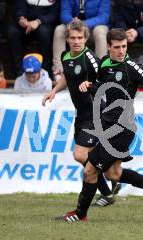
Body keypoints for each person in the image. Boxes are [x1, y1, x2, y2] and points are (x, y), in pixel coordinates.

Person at [56, 28, 143, 222]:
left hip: (122, 128)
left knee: (90, 170)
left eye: (124, 47)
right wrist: (89, 86)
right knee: (114, 173)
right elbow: (102, 86)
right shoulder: (104, 63)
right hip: (108, 123)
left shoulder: (132, 67)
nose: (121, 51)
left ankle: (80, 214)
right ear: (109, 46)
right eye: (117, 47)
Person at [42, 20, 118, 207]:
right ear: (67, 39)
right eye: (73, 38)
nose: (76, 41)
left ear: (86, 39)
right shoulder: (65, 56)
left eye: (80, 38)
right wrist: (54, 90)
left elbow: (104, 82)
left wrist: (92, 87)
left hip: (95, 113)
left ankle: (110, 181)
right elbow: (68, 77)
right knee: (87, 157)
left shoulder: (90, 58)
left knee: (80, 155)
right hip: (82, 114)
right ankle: (110, 184)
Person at [52, 0, 110, 77]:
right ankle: (59, 70)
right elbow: (64, 14)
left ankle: (101, 71)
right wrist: (73, 22)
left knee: (100, 31)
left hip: (93, 27)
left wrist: (84, 24)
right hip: (73, 25)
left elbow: (104, 17)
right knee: (59, 30)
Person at [8, 0, 60, 78]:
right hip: (26, 24)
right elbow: (19, 6)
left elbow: (54, 14)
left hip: (45, 24)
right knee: (12, 32)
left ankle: (45, 72)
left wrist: (38, 21)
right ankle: (18, 73)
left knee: (44, 32)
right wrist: (21, 18)